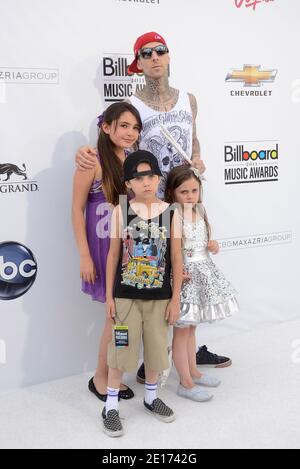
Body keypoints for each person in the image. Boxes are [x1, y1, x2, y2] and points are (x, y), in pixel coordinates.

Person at [75, 32, 232, 383]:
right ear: (138, 63)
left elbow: (193, 140)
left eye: (160, 51)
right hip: (149, 210)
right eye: (146, 53)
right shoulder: (132, 102)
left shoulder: (189, 100)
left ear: (169, 56)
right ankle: (154, 360)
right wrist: (83, 154)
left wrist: (196, 158)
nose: (155, 57)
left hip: (186, 199)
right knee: (158, 280)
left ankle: (189, 347)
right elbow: (109, 136)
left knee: (190, 273)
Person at [103, 150, 183, 437]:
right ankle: (110, 406)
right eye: (139, 177)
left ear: (158, 178)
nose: (146, 181)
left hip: (160, 298)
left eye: (151, 175)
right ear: (129, 183)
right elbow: (113, 256)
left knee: (156, 349)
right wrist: (109, 297)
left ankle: (150, 397)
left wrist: (175, 299)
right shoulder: (120, 210)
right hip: (126, 297)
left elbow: (176, 257)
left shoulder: (171, 212)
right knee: (121, 349)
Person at [72, 102, 142, 402]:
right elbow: (76, 210)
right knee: (114, 318)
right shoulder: (93, 160)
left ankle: (113, 373)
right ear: (106, 127)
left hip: (129, 247)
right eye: (123, 125)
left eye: (135, 127)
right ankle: (101, 378)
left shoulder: (133, 160)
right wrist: (85, 256)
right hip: (103, 249)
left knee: (123, 318)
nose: (130, 132)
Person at [165, 165, 239, 401]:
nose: (190, 196)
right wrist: (179, 274)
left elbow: (205, 239)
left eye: (194, 191)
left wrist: (212, 245)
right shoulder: (173, 214)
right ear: (173, 193)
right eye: (183, 192)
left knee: (192, 327)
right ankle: (184, 383)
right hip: (186, 276)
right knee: (181, 331)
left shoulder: (201, 210)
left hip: (203, 271)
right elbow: (174, 251)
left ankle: (194, 372)